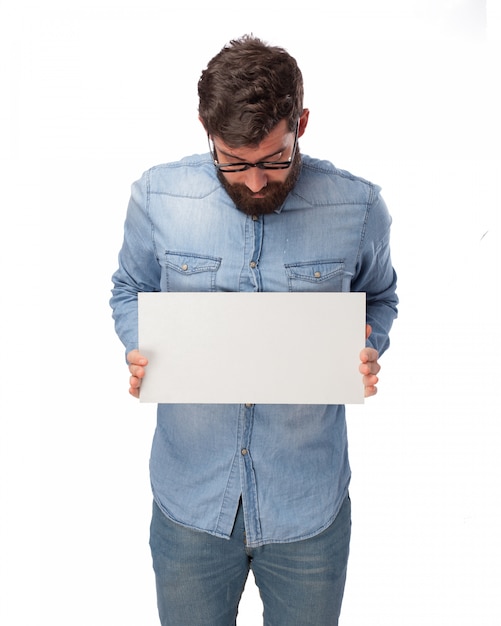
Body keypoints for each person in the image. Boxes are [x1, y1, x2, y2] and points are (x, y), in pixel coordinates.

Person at [110, 35, 398, 626]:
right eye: (234, 163)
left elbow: (381, 297)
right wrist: (140, 343)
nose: (257, 182)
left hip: (307, 510)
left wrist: (367, 344)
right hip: (190, 504)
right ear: (205, 130)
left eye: (274, 159)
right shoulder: (158, 197)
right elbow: (128, 288)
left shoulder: (357, 207)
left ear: (302, 123)